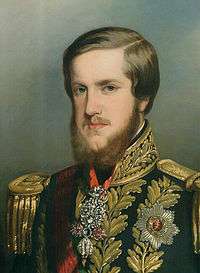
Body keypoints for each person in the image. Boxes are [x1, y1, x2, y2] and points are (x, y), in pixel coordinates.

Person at [8, 27, 200, 273]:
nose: (90, 108)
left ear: (143, 98)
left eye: (108, 87)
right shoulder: (52, 193)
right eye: (81, 89)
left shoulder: (189, 200)